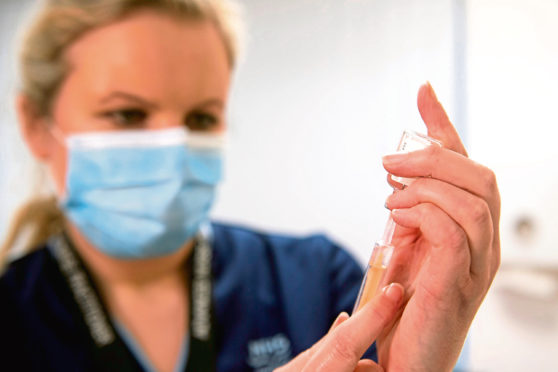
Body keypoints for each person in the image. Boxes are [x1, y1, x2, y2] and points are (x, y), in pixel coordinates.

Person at [0, 0, 501, 371]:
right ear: (36, 124)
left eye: (200, 117)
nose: (173, 147)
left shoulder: (318, 283)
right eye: (127, 114)